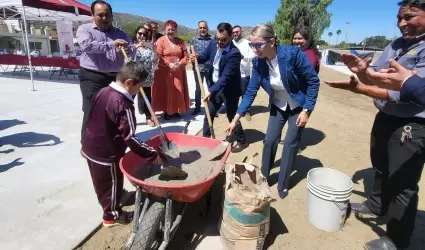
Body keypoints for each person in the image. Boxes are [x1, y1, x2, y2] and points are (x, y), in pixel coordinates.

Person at [324, 1, 425, 249]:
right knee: (380, 164)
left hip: (412, 123)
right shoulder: (395, 45)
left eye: (409, 17)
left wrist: (360, 88)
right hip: (386, 116)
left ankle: (397, 239)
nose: (401, 23)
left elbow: (410, 92)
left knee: (403, 183)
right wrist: (361, 72)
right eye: (399, 18)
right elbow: (376, 77)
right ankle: (376, 204)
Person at [226, 24, 320, 198]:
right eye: (252, 45)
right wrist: (236, 119)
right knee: (269, 140)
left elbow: (313, 81)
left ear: (272, 41)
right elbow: (250, 92)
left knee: (291, 144)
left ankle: (283, 183)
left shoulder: (293, 54)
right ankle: (264, 176)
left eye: (258, 45)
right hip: (278, 104)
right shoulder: (258, 62)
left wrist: (307, 110)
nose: (254, 49)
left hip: (298, 106)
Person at [81, 61, 161, 228]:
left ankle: (109, 198)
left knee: (101, 181)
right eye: (139, 87)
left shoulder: (103, 91)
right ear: (129, 82)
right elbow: (130, 137)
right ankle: (111, 216)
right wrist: (152, 154)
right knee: (112, 180)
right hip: (106, 152)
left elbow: (89, 116)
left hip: (90, 146)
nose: (139, 91)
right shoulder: (123, 104)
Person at [76, 0, 135, 141]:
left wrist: (128, 48)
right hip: (92, 77)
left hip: (116, 78)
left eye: (107, 14)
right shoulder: (84, 29)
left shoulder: (120, 32)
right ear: (92, 15)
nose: (104, 18)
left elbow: (132, 49)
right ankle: (87, 143)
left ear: (112, 16)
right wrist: (111, 44)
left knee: (115, 110)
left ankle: (111, 140)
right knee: (91, 110)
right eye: (100, 15)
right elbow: (87, 46)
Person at [193, 22, 248, 153]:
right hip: (215, 87)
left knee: (231, 116)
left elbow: (225, 77)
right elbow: (205, 56)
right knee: (209, 113)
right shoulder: (213, 43)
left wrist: (210, 90)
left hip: (229, 90)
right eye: (218, 38)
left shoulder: (234, 54)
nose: (220, 42)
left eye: (223, 39)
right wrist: (196, 58)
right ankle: (206, 140)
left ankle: (242, 140)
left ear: (230, 38)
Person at [151, 20, 190, 119]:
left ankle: (176, 110)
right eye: (168, 29)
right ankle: (167, 111)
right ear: (164, 30)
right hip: (164, 71)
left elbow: (186, 56)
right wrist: (169, 64)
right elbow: (158, 56)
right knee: (166, 90)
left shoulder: (180, 41)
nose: (170, 32)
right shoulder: (160, 41)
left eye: (173, 30)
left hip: (178, 71)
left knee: (178, 90)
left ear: (176, 30)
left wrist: (180, 63)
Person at [132, 23, 159, 127]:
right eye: (140, 34)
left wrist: (155, 51)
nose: (142, 36)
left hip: (146, 78)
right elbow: (127, 59)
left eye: (144, 34)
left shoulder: (149, 47)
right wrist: (137, 47)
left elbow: (155, 61)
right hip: (133, 78)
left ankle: (148, 117)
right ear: (136, 34)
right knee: (129, 99)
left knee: (147, 98)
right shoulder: (131, 46)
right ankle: (127, 118)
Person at [189, 20, 212, 115]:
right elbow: (190, 54)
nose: (202, 29)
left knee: (211, 88)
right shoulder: (193, 40)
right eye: (201, 27)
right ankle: (197, 108)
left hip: (210, 68)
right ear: (198, 29)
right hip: (198, 68)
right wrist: (192, 58)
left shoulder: (213, 39)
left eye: (204, 27)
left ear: (207, 28)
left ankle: (211, 108)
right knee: (198, 88)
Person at [232, 25, 254, 121]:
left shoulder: (248, 43)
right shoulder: (230, 43)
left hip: (244, 74)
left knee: (245, 94)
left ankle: (246, 111)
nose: (235, 34)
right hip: (232, 74)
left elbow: (253, 57)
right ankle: (233, 111)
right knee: (233, 93)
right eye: (234, 32)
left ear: (241, 32)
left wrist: (243, 57)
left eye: (237, 32)